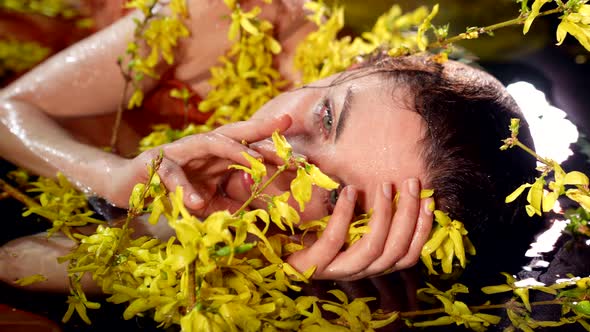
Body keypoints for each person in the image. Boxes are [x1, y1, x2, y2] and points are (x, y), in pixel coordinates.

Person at [0, 0, 537, 289]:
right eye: (325, 116)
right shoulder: (231, 17)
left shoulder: (267, 245)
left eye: (335, 197)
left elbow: (16, 263)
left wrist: (244, 263)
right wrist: (111, 178)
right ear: (349, 69)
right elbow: (8, 109)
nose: (282, 157)